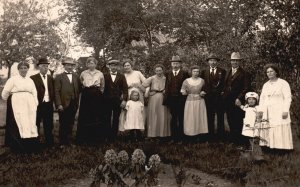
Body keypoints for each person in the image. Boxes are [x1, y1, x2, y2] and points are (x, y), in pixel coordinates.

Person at [1, 62, 39, 153]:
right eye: (21, 68)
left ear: (27, 69)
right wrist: (9, 100)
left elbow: (34, 92)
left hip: (29, 104)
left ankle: (30, 144)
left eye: (25, 68)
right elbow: (5, 92)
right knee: (18, 121)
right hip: (17, 102)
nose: (23, 70)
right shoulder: (13, 79)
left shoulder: (30, 80)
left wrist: (35, 103)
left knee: (29, 122)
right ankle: (17, 146)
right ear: (18, 70)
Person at [259, 63, 293, 150]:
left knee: (280, 128)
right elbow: (262, 99)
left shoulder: (283, 83)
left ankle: (282, 148)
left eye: (271, 71)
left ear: (276, 72)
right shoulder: (265, 85)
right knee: (269, 128)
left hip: (279, 110)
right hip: (268, 111)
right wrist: (261, 111)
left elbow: (288, 98)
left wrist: (285, 110)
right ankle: (270, 147)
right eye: (267, 72)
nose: (269, 73)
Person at [222, 52, 250, 144]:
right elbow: (226, 85)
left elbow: (246, 88)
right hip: (228, 100)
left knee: (238, 120)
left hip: (238, 101)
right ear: (231, 61)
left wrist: (239, 98)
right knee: (230, 119)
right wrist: (224, 93)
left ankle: (240, 140)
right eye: (233, 60)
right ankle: (233, 139)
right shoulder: (228, 71)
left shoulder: (244, 73)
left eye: (237, 61)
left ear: (239, 62)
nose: (235, 62)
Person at [76, 57, 105, 144]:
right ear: (87, 64)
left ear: (96, 64)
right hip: (86, 94)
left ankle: (96, 138)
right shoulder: (83, 73)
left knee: (96, 114)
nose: (91, 65)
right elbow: (81, 82)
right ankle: (84, 138)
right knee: (86, 114)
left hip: (96, 94)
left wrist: (99, 93)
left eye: (93, 63)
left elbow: (102, 86)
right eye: (89, 63)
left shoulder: (100, 73)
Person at [54, 57, 82, 146]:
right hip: (63, 104)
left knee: (71, 122)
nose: (70, 67)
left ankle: (69, 141)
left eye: (71, 65)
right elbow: (56, 92)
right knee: (63, 123)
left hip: (73, 103)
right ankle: (62, 142)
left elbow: (80, 89)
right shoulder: (59, 77)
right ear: (64, 66)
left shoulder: (76, 76)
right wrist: (59, 104)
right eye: (68, 65)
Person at [200, 53, 226, 141]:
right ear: (208, 62)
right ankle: (210, 135)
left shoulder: (222, 71)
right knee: (209, 116)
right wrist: (202, 91)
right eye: (211, 60)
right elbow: (202, 84)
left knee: (220, 116)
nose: (213, 62)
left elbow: (225, 84)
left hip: (219, 98)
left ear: (217, 62)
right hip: (208, 98)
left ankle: (221, 135)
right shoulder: (204, 71)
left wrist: (223, 93)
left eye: (214, 60)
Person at [164, 55, 189, 142]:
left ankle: (182, 137)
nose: (175, 65)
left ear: (180, 64)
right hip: (172, 100)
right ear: (171, 64)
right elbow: (167, 86)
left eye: (177, 63)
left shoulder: (185, 73)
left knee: (181, 118)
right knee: (173, 118)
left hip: (181, 100)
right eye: (173, 63)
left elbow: (187, 86)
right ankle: (174, 137)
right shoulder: (168, 74)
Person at [142, 64, 171, 139]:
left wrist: (166, 90)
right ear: (155, 71)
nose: (159, 72)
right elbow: (142, 86)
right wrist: (148, 92)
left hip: (163, 98)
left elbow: (170, 87)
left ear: (163, 70)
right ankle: (152, 134)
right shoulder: (152, 78)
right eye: (157, 70)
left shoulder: (166, 78)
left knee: (163, 115)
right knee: (153, 115)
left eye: (160, 70)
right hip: (153, 98)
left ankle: (163, 134)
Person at [30, 58, 55, 147]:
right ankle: (35, 142)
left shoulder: (51, 78)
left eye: (47, 66)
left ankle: (49, 142)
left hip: (48, 104)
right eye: (43, 66)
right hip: (38, 105)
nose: (46, 68)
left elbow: (53, 91)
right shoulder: (33, 78)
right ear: (39, 67)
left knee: (48, 124)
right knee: (36, 123)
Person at [181, 65, 208, 141]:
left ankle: (200, 134)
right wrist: (185, 92)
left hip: (200, 101)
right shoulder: (186, 81)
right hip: (190, 102)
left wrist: (203, 92)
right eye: (194, 71)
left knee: (199, 116)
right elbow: (183, 91)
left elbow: (205, 89)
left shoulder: (202, 81)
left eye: (197, 72)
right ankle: (191, 134)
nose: (196, 73)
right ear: (191, 72)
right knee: (191, 117)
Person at [103, 59, 128, 142]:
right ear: (109, 66)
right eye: (112, 65)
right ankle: (107, 135)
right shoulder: (104, 76)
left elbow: (125, 89)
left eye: (115, 65)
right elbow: (102, 88)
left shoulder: (121, 76)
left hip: (117, 101)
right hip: (106, 101)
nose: (113, 67)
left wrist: (124, 100)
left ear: (118, 67)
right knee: (106, 117)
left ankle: (113, 136)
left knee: (116, 118)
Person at [119, 59, 146, 132]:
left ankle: (140, 129)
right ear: (123, 67)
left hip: (138, 94)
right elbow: (121, 87)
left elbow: (146, 82)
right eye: (125, 66)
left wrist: (139, 85)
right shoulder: (123, 76)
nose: (127, 67)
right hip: (128, 94)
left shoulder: (138, 73)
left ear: (131, 66)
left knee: (139, 110)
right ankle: (128, 129)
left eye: (128, 65)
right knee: (128, 111)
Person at [237, 92, 264, 160]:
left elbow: (259, 119)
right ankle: (247, 155)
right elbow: (243, 108)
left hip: (254, 128)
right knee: (247, 141)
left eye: (253, 99)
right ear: (247, 100)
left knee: (254, 142)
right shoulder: (247, 107)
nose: (251, 101)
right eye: (249, 99)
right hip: (246, 128)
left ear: (256, 100)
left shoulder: (257, 108)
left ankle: (258, 156)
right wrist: (240, 105)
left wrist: (257, 127)